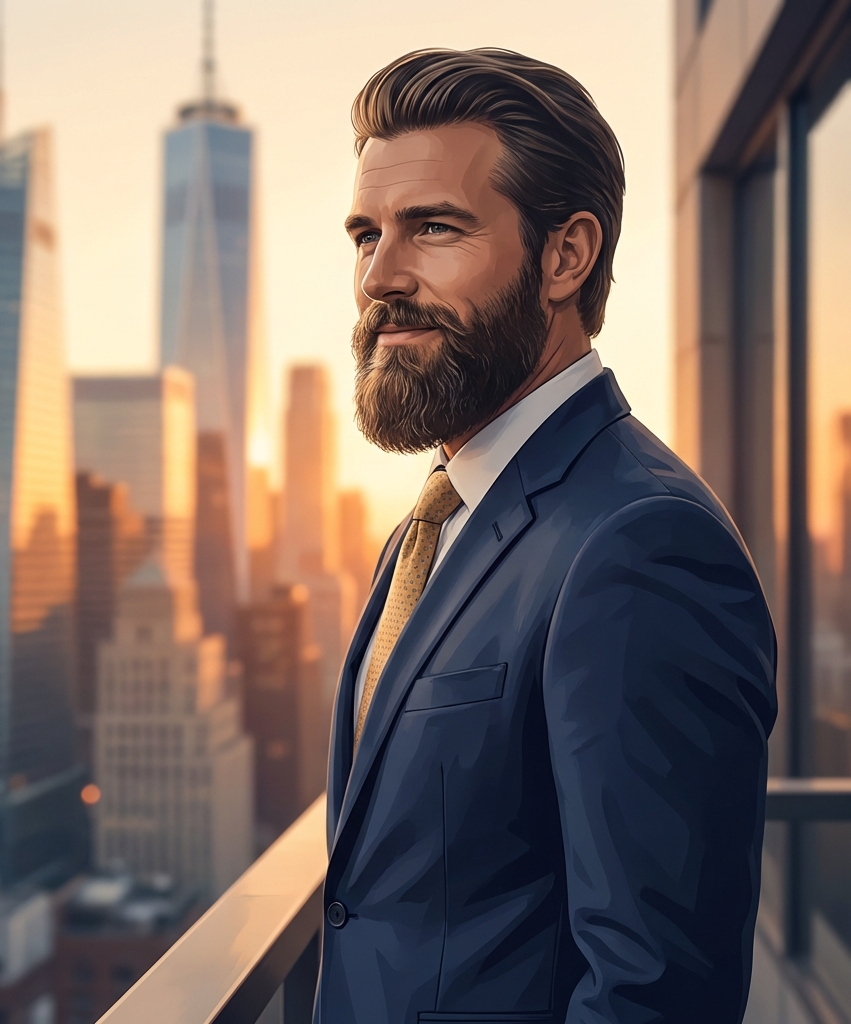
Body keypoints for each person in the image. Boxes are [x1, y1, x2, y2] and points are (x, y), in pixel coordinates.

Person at [315, 48, 777, 1024]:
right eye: (365, 235)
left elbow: (657, 994)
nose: (379, 277)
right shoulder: (438, 519)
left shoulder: (641, 545)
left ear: (564, 256)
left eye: (433, 228)